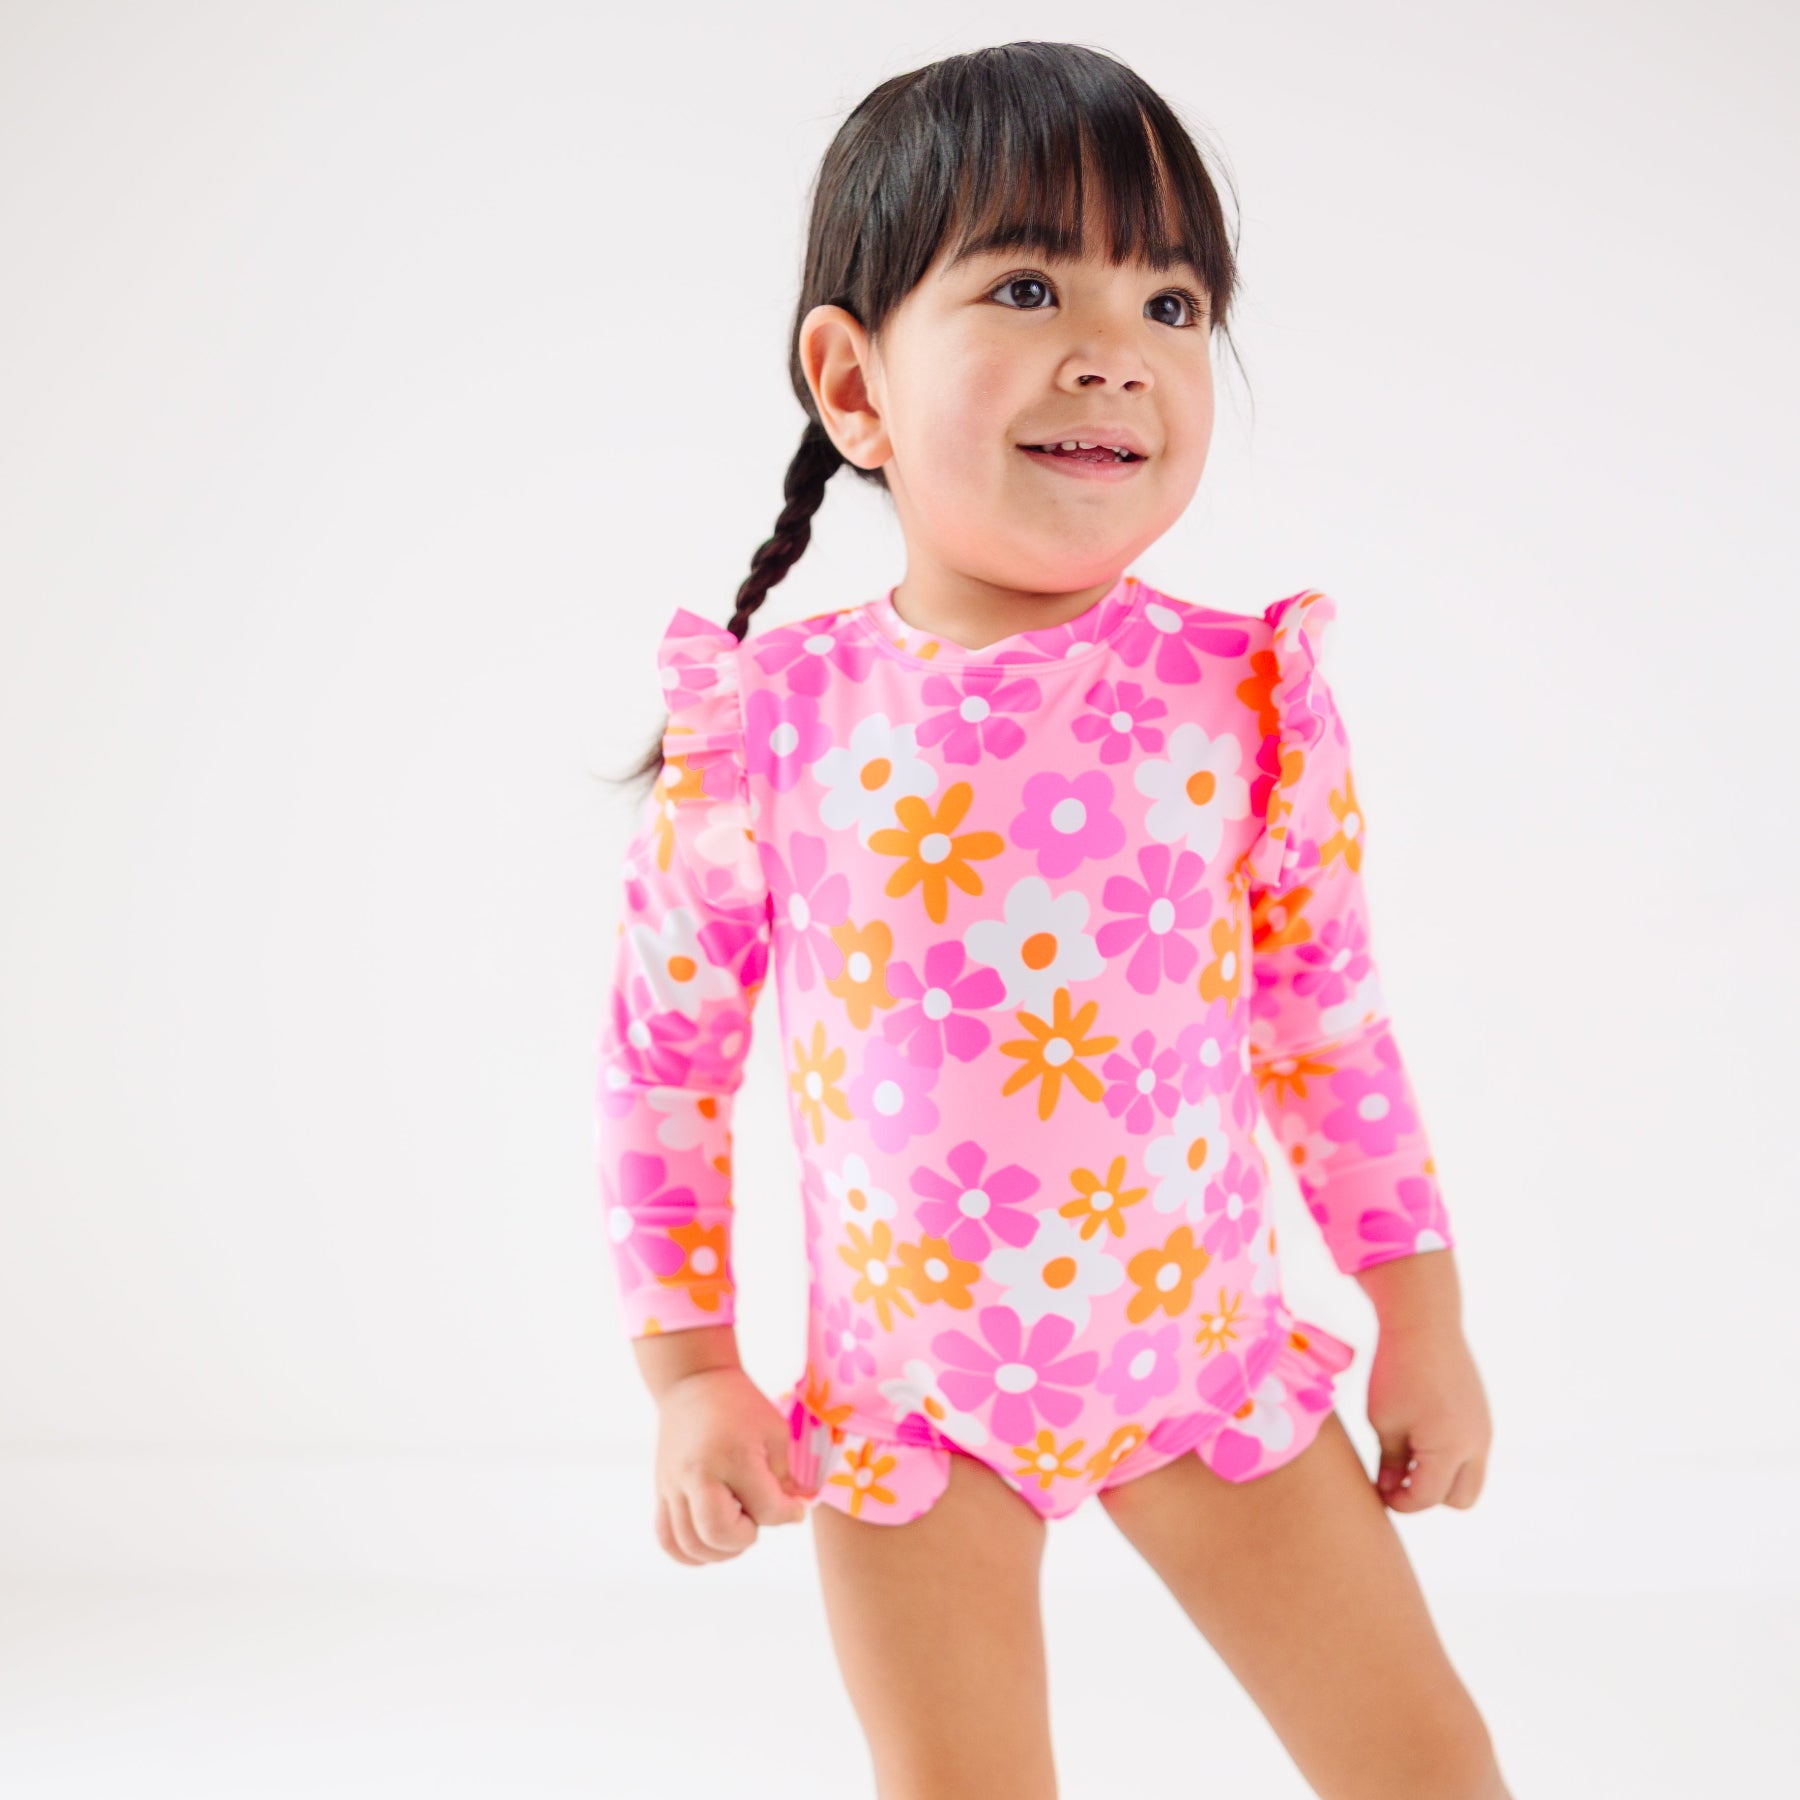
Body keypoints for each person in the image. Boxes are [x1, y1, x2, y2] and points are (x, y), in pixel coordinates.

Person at [595, 40, 1511, 1800]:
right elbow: (661, 1073)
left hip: (1202, 1367)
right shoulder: (767, 729)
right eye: (1028, 284)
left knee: (1423, 1762)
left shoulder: (1239, 701)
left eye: (1170, 301)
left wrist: (1426, 1316)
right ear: (851, 384)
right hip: (907, 1406)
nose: (1115, 346)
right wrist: (692, 1374)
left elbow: (1329, 1025)